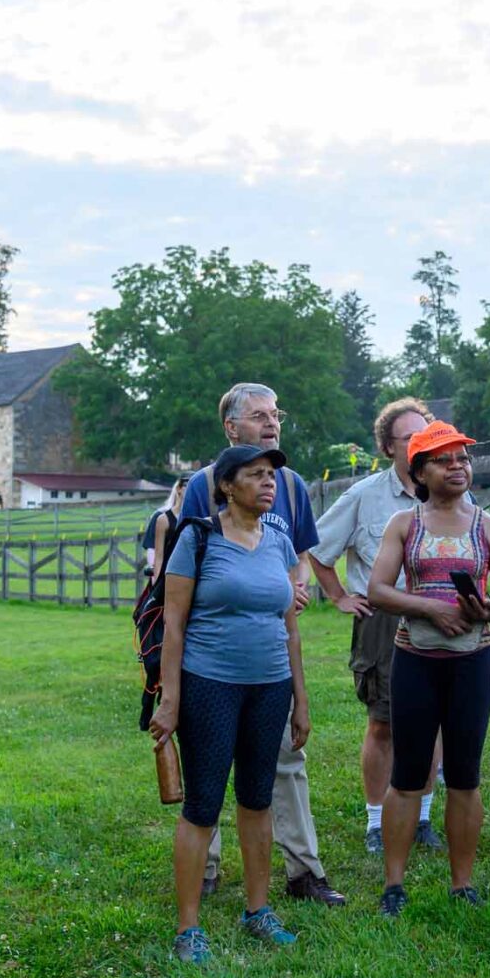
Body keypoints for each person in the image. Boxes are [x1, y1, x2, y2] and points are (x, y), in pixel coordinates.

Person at [180, 383, 343, 906]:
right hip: (215, 656)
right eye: (258, 416)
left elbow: (298, 555)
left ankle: (304, 871)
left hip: (273, 649)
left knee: (286, 761)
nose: (272, 423)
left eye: (276, 415)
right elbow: (186, 565)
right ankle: (205, 867)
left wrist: (298, 582)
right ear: (232, 428)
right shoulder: (204, 486)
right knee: (210, 761)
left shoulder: (290, 485)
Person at [149, 445, 311, 964]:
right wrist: (169, 699)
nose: (269, 484)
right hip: (209, 684)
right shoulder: (197, 537)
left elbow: (289, 625)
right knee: (202, 806)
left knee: (258, 799)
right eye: (256, 475)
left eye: (271, 476)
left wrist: (300, 699)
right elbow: (173, 624)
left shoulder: (280, 541)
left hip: (271, 686)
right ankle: (189, 928)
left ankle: (257, 911)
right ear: (225, 485)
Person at [367, 421, 490, 916]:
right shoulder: (405, 525)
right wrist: (429, 607)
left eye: (462, 458)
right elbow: (378, 590)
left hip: (472, 663)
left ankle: (462, 883)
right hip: (415, 660)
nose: (457, 466)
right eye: (443, 459)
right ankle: (394, 883)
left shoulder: (489, 527)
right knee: (407, 775)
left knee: (464, 774)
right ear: (419, 470)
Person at [308, 397, 448, 854]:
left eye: (425, 434)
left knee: (434, 722)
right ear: (389, 447)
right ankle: (375, 822)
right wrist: (338, 595)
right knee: (383, 724)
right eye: (409, 437)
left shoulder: (447, 491)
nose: (419, 443)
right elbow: (317, 547)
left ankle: (424, 818)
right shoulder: (365, 496)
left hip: (439, 615)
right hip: (383, 622)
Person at [143, 474, 192, 583]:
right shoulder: (161, 518)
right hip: (165, 574)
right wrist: (155, 579)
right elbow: (153, 550)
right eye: (187, 486)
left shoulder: (198, 519)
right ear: (179, 489)